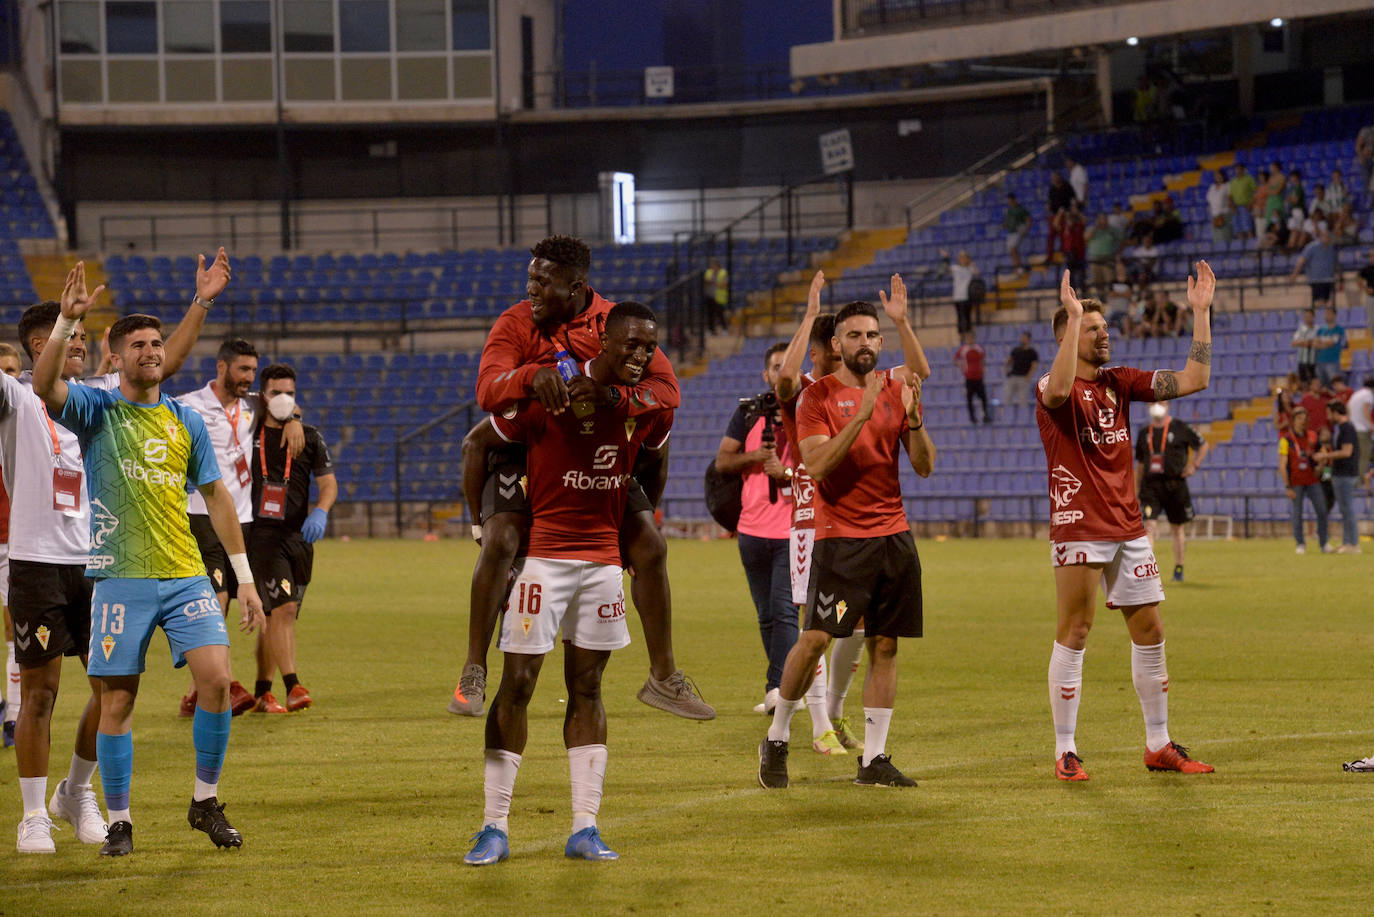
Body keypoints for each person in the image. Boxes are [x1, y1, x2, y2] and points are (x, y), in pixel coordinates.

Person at [32, 262, 265, 856]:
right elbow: (44, 386)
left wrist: (244, 580)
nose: (152, 352)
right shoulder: (97, 410)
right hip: (119, 578)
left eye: (157, 344)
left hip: (185, 573)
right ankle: (120, 822)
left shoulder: (185, 419)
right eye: (137, 345)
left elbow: (215, 497)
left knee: (216, 680)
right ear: (115, 357)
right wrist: (66, 321)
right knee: (118, 698)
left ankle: (205, 801)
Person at [451, 235, 711, 721]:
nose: (529, 289)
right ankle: (473, 668)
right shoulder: (515, 323)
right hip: (523, 443)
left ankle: (663, 676)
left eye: (541, 281)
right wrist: (532, 377)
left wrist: (615, 402)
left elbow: (666, 391)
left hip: (593, 451)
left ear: (575, 287)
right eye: (531, 277)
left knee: (651, 545)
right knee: (503, 538)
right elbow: (488, 391)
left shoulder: (619, 326)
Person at [5, 263, 213, 854]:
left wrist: (199, 301)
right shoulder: (18, 396)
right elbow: (40, 384)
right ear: (44, 346)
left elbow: (164, 361)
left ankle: (76, 793)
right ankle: (32, 815)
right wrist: (65, 318)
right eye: (71, 337)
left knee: (110, 691)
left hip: (102, 562)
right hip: (39, 560)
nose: (81, 345)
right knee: (41, 692)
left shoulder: (104, 397)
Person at [462, 301, 672, 866]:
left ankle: (585, 827)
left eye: (649, 348)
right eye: (630, 345)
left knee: (589, 690)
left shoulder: (642, 406)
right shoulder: (549, 395)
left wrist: (639, 519)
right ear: (602, 340)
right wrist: (484, 524)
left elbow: (655, 455)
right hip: (545, 561)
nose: (641, 356)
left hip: (603, 564)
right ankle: (493, 827)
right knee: (519, 685)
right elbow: (478, 441)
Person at [1036, 265, 1217, 782]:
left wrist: (1201, 314)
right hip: (1078, 525)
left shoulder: (1121, 382)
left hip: (1128, 527)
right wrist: (1072, 321)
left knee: (1151, 630)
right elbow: (1061, 387)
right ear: (1068, 335)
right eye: (1091, 327)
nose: (1104, 332)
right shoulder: (1052, 383)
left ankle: (1158, 743)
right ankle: (1065, 749)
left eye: (1103, 325)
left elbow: (1195, 379)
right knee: (1076, 628)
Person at [758, 284, 935, 791]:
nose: (866, 342)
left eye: (874, 335)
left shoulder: (896, 387)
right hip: (842, 540)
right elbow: (815, 464)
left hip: (894, 537)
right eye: (856, 334)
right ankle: (777, 736)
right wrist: (861, 412)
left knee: (886, 644)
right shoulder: (815, 398)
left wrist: (915, 419)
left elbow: (923, 466)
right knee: (814, 639)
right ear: (837, 343)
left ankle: (874, 759)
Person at [772, 269, 876, 755]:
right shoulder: (807, 393)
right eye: (833, 344)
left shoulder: (859, 384)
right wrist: (810, 313)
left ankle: (833, 710)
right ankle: (817, 728)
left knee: (856, 625)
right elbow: (786, 378)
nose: (843, 351)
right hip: (812, 521)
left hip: (857, 520)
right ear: (820, 348)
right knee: (812, 627)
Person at [174, 335, 303, 718]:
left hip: (243, 520)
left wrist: (294, 419)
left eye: (252, 369)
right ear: (221, 367)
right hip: (201, 514)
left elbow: (284, 403)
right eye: (243, 369)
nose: (249, 376)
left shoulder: (252, 406)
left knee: (238, 599)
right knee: (218, 597)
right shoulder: (190, 405)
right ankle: (225, 682)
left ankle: (195, 693)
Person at [713, 344, 800, 721]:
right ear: (766, 375)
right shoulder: (748, 413)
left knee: (783, 613)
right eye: (776, 368)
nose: (783, 374)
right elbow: (722, 461)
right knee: (766, 615)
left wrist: (785, 470)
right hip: (751, 530)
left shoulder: (806, 410)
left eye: (789, 367)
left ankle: (780, 689)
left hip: (792, 529)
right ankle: (779, 687)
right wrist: (757, 459)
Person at [247, 364, 338, 712]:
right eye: (275, 393)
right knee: (282, 608)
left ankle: (262, 692)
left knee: (277, 616)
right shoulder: (248, 432)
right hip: (261, 535)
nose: (283, 400)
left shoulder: (309, 436)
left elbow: (328, 484)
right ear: (262, 395)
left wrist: (322, 510)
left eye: (290, 394)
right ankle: (293, 685)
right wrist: (291, 416)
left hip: (299, 537)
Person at [1134, 402, 1209, 583]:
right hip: (1151, 486)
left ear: (1167, 405)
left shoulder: (1180, 427)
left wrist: (1194, 466)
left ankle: (1178, 568)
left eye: (1159, 402)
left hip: (1175, 485)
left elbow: (1203, 444)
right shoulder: (1144, 433)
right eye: (1152, 402)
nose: (1155, 406)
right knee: (1149, 526)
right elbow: (1140, 465)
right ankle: (1148, 570)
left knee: (1177, 528)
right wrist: (1136, 491)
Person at [0, 342, 20, 748]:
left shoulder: (29, 419)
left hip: (11, 540)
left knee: (14, 631)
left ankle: (14, 715)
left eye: (13, 369)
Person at [1280, 406, 1331, 555]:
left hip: (1313, 480)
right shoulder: (1286, 440)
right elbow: (1282, 464)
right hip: (1295, 482)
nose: (1303, 422)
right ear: (1293, 420)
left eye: (1305, 419)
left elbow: (1323, 453)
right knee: (1297, 514)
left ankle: (1324, 543)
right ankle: (1300, 544)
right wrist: (1287, 486)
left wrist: (1320, 466)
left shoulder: (1313, 436)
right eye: (1299, 419)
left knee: (1322, 510)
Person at [1316, 400, 1361, 553]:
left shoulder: (1347, 428)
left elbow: (1347, 451)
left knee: (1347, 509)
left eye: (1329, 413)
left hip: (1346, 474)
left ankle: (1353, 544)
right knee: (1344, 509)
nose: (1328, 416)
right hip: (1340, 474)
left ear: (1336, 413)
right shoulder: (1340, 428)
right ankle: (1347, 542)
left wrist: (1326, 455)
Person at [1291, 228, 1339, 309]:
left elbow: (1336, 263)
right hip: (1316, 280)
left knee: (1326, 302)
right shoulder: (1312, 247)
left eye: (1328, 236)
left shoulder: (1332, 248)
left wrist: (1340, 277)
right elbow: (1301, 261)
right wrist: (1294, 275)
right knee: (1318, 302)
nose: (1327, 238)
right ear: (1320, 237)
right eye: (1325, 236)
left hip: (1328, 280)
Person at [954, 329, 991, 424]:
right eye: (968, 338)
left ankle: (985, 415)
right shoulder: (964, 349)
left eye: (971, 338)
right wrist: (961, 366)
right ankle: (972, 417)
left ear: (974, 339)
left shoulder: (979, 348)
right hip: (969, 378)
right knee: (970, 399)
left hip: (979, 377)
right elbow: (955, 359)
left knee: (983, 398)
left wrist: (983, 369)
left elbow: (983, 360)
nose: (969, 340)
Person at [1002, 331, 1040, 413]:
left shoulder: (1032, 352)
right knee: (1008, 397)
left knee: (1023, 399)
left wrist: (1028, 377)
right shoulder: (1016, 350)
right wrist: (1006, 370)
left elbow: (1034, 366)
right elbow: (1008, 361)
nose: (1022, 339)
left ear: (1028, 339)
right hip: (1013, 377)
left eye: (1024, 338)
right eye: (1022, 337)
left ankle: (1023, 416)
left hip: (1023, 378)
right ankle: (1008, 415)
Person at [1085, 213, 1121, 294]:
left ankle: (1111, 297)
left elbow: (1121, 240)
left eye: (1105, 219)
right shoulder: (1091, 229)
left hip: (1108, 258)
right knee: (1097, 280)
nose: (1103, 221)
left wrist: (1118, 251)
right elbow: (1086, 237)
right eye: (1101, 219)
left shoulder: (1112, 230)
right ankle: (1101, 297)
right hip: (1095, 259)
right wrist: (1095, 227)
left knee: (1110, 279)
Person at [945, 250, 979, 334]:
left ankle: (969, 335)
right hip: (957, 297)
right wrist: (946, 258)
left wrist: (970, 264)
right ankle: (961, 336)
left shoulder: (970, 268)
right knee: (960, 317)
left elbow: (977, 273)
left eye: (964, 258)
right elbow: (946, 270)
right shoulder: (955, 268)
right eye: (961, 258)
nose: (963, 259)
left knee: (968, 317)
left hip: (967, 296)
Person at [1313, 305, 1347, 388]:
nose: (1327, 315)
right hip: (1320, 362)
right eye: (1326, 313)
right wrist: (1325, 344)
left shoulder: (1339, 329)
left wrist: (1322, 343)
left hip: (1332, 362)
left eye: (1329, 313)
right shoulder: (1321, 330)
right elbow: (1315, 344)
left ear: (1334, 315)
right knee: (1321, 387)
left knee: (1334, 385)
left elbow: (1332, 342)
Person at [1348, 376, 1373, 480]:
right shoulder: (1368, 395)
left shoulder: (1356, 394)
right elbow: (1366, 409)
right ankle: (1360, 481)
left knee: (1355, 456)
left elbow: (1347, 408)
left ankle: (1353, 480)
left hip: (1352, 428)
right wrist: (1371, 425)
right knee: (1364, 455)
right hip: (1361, 430)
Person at [1004, 193, 1031, 275]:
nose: (1009, 203)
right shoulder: (1009, 211)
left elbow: (1028, 219)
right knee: (1012, 251)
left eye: (1010, 201)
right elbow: (1008, 222)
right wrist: (1005, 225)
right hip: (1011, 232)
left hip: (1018, 231)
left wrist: (1026, 228)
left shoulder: (1020, 209)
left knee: (1013, 249)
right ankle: (1016, 268)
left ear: (1014, 200)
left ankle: (1018, 267)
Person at [1228, 163, 1257, 239]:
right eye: (1237, 169)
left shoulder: (1249, 179)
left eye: (1240, 169)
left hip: (1246, 207)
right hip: (1236, 208)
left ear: (1244, 170)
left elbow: (1255, 192)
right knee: (1238, 230)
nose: (1238, 171)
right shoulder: (1233, 181)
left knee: (1248, 229)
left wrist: (1251, 204)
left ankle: (1251, 247)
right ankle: (1241, 247)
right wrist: (1232, 206)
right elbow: (1230, 196)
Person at [1292, 308, 1319, 383]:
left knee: (1313, 383)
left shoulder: (1318, 329)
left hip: (1314, 362)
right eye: (1305, 316)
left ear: (1313, 317)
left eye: (1309, 316)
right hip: (1301, 361)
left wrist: (1301, 342)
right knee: (1303, 383)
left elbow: (1316, 343)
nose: (1307, 318)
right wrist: (1308, 342)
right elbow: (1294, 343)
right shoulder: (1300, 330)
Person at [703, 257, 730, 333]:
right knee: (710, 315)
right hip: (710, 296)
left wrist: (714, 283)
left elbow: (724, 284)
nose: (712, 266)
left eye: (714, 265)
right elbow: (705, 282)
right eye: (711, 265)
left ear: (717, 265)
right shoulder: (708, 272)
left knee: (720, 315)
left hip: (719, 297)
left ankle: (724, 330)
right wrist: (709, 282)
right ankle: (711, 330)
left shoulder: (723, 273)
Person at [1207, 169, 1233, 244]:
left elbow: (1229, 198)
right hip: (1214, 215)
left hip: (1224, 214)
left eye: (1219, 175)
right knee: (1217, 236)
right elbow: (1209, 198)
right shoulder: (1212, 187)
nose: (1218, 177)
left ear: (1223, 176)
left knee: (1225, 235)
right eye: (1216, 175)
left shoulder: (1227, 185)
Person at [1359, 248, 1374, 334]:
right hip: (1370, 298)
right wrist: (1365, 288)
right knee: (1371, 320)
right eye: (1371, 256)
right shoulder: (1368, 269)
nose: (1372, 258)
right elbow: (1358, 278)